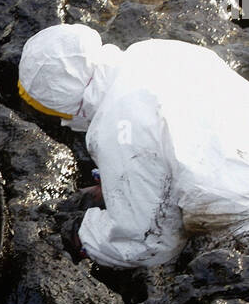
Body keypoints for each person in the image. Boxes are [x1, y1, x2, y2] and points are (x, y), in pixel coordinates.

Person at [17, 23, 249, 268]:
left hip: (240, 223)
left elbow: (147, 245)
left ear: (62, 102)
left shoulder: (115, 124)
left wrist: (78, 234)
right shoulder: (155, 53)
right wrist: (117, 186)